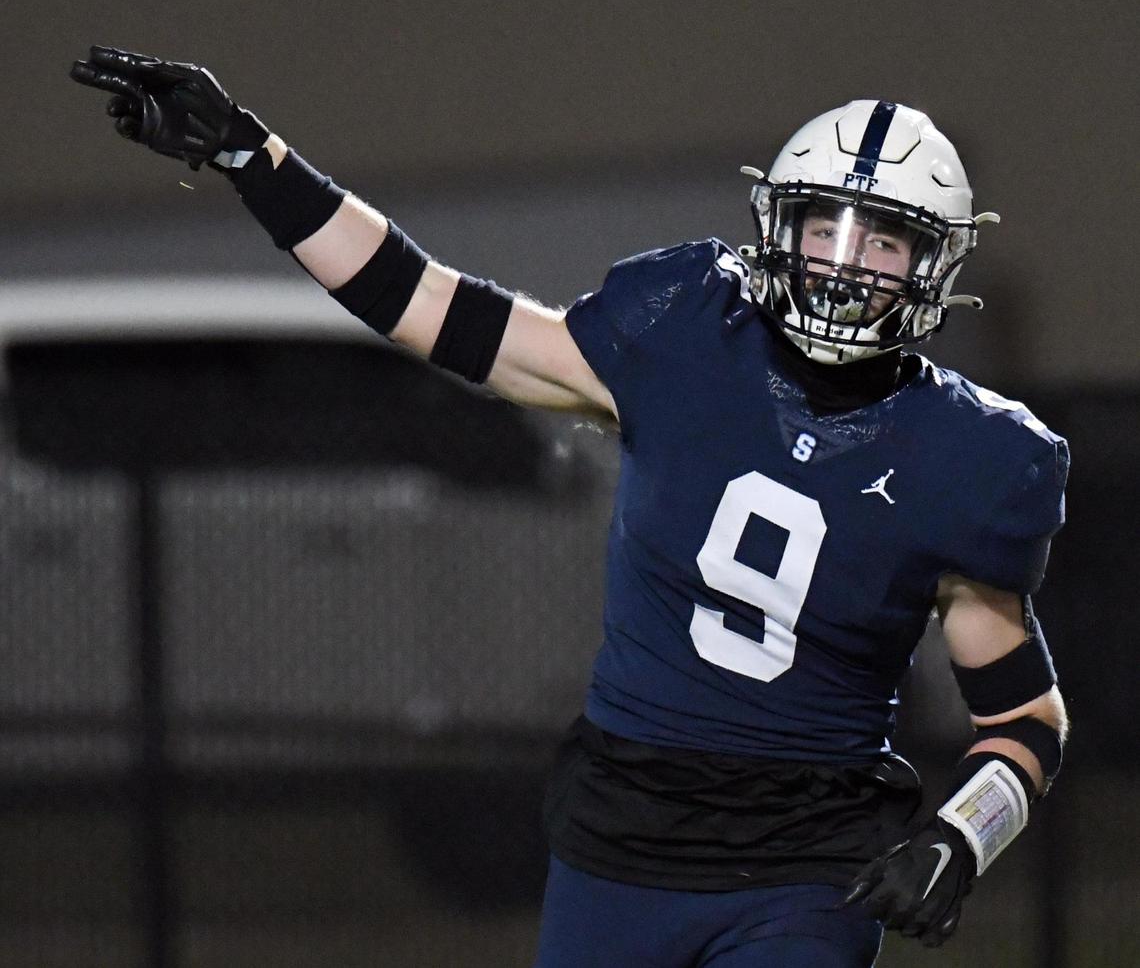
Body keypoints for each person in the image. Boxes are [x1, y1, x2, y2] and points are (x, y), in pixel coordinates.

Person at [70, 47, 1070, 967]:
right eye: (824, 227)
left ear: (933, 263)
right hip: (623, 839)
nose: (847, 263)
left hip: (808, 861)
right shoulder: (685, 331)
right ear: (778, 228)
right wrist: (253, 153)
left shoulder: (971, 457)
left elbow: (1026, 718)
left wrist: (961, 835)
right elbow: (428, 303)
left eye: (883, 241)